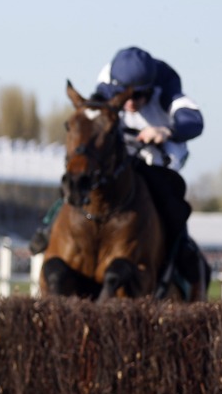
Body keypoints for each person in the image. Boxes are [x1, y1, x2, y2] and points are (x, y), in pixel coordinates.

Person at [31, 46, 203, 267]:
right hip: (121, 148)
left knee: (168, 194)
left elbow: (194, 121)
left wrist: (165, 131)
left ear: (150, 88)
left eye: (138, 96)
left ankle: (182, 252)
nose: (129, 103)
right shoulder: (107, 80)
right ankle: (49, 225)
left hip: (160, 152)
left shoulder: (166, 83)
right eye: (124, 95)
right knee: (81, 176)